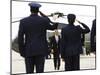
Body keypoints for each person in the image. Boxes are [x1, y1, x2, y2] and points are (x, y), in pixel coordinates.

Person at [18, 2, 58, 74]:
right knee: (40, 71)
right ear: (38, 10)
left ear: (30, 10)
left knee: (29, 71)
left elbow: (20, 38)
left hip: (28, 51)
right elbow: (53, 27)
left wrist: (22, 52)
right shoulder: (43, 20)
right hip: (41, 51)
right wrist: (46, 17)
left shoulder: (23, 21)